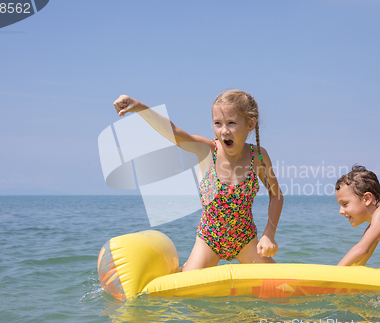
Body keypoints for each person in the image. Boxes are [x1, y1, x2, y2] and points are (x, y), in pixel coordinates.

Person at [113, 89, 283, 272]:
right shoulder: (207, 151)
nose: (224, 130)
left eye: (231, 123)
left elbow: (276, 195)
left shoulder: (258, 156)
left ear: (250, 124)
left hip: (245, 239)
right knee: (182, 291)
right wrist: (139, 107)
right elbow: (175, 133)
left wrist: (269, 234)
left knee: (283, 289)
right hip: (209, 240)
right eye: (218, 123)